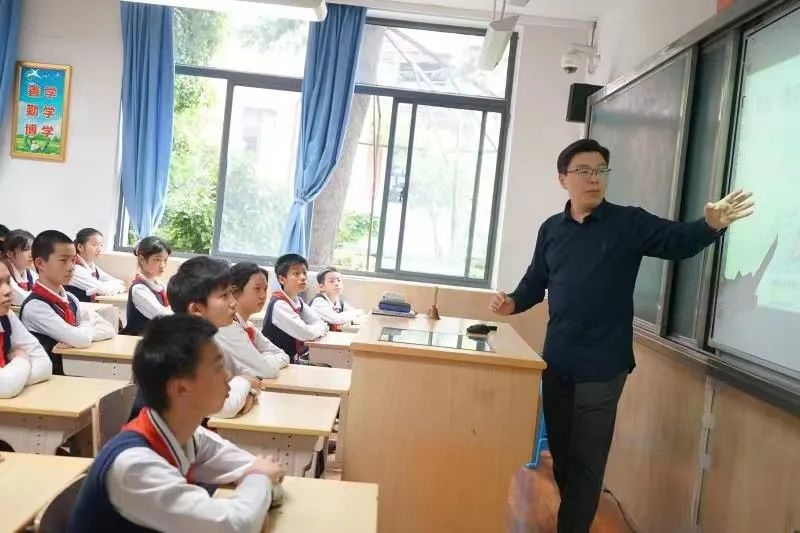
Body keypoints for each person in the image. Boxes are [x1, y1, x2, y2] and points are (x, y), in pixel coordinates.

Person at [490, 138, 754, 533]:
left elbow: (677, 241)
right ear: (563, 179)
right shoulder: (551, 230)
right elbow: (535, 282)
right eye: (583, 171)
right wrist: (511, 302)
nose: (593, 179)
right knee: (563, 455)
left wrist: (709, 225)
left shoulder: (627, 223)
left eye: (600, 171)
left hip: (604, 363)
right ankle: (572, 517)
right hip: (558, 360)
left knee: (587, 459)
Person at [68, 315, 285, 533]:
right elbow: (236, 525)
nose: (228, 376)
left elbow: (260, 471)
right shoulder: (135, 466)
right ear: (180, 388)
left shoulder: (186, 434)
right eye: (218, 367)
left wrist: (260, 479)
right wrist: (259, 479)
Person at [166, 256, 260, 419]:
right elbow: (224, 406)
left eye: (231, 293)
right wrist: (246, 381)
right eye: (224, 296)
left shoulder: (204, 340)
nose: (233, 303)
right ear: (196, 309)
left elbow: (226, 385)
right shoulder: (181, 349)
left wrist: (249, 390)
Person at [20, 230, 116, 375]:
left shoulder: (71, 298)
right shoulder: (35, 306)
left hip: (72, 372)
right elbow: (80, 339)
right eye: (63, 260)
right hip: (48, 378)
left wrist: (79, 333)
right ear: (40, 263)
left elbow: (108, 329)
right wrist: (82, 330)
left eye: (73, 260)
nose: (71, 267)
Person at [215, 262, 290, 379]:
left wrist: (263, 358)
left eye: (265, 289)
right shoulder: (229, 326)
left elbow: (283, 355)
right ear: (234, 291)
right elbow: (267, 370)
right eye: (257, 288)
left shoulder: (248, 326)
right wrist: (266, 358)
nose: (263, 295)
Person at [261, 253, 327, 363]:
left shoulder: (298, 301)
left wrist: (317, 328)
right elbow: (305, 333)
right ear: (282, 279)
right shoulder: (279, 304)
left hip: (291, 360)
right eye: (296, 273)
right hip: (276, 362)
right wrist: (321, 329)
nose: (303, 277)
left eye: (304, 273)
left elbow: (317, 321)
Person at [0, 261, 52, 399]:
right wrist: (21, 358)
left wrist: (15, 380)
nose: (7, 290)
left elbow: (45, 364)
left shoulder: (6, 316)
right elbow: (4, 386)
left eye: (8, 282)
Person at [121, 236, 173, 335]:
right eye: (157, 260)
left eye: (165, 260)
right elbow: (162, 315)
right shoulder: (139, 289)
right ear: (141, 259)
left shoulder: (160, 285)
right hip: (138, 340)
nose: (162, 265)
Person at [65, 228, 125, 303]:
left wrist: (122, 285)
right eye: (94, 245)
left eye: (101, 245)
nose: (99, 249)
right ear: (80, 247)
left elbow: (110, 279)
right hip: (73, 308)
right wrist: (124, 286)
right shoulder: (75, 268)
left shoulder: (91, 265)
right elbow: (103, 290)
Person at [309, 267, 361, 331]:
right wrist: (354, 314)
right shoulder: (318, 302)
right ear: (321, 287)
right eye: (331, 281)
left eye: (339, 280)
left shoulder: (340, 302)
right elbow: (337, 319)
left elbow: (357, 313)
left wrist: (355, 314)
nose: (337, 284)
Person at [0, 229, 37, 306]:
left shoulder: (30, 272)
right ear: (9, 253)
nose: (32, 254)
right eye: (26, 249)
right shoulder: (2, 272)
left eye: (33, 249)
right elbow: (23, 299)